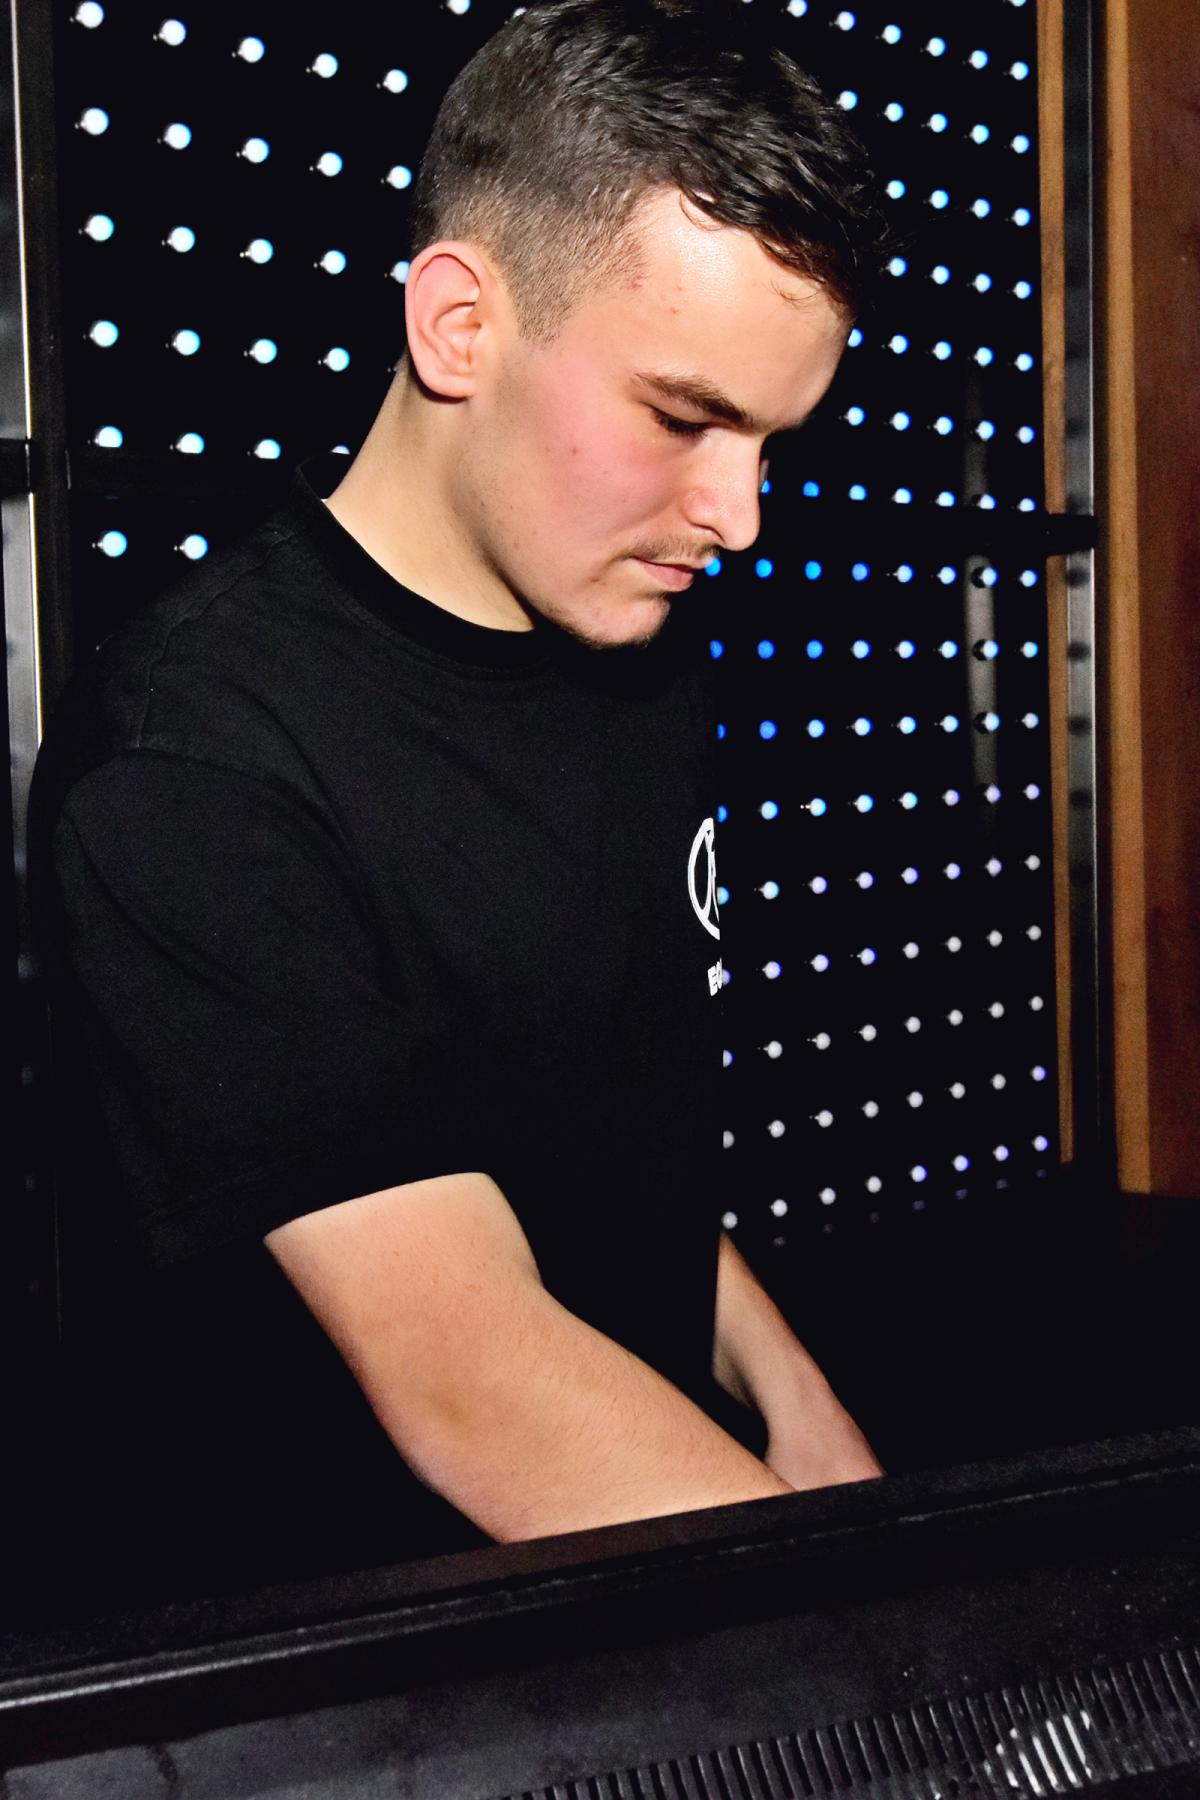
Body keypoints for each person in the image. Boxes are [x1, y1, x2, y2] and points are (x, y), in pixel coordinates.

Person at [28, 0, 890, 1608]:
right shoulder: (192, 760)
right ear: (458, 325)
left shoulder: (633, 637)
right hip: (384, 1673)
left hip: (655, 1566)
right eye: (684, 418)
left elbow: (601, 1141)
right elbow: (475, 1384)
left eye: (772, 441)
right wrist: (881, 1629)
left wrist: (792, 1396)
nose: (738, 516)